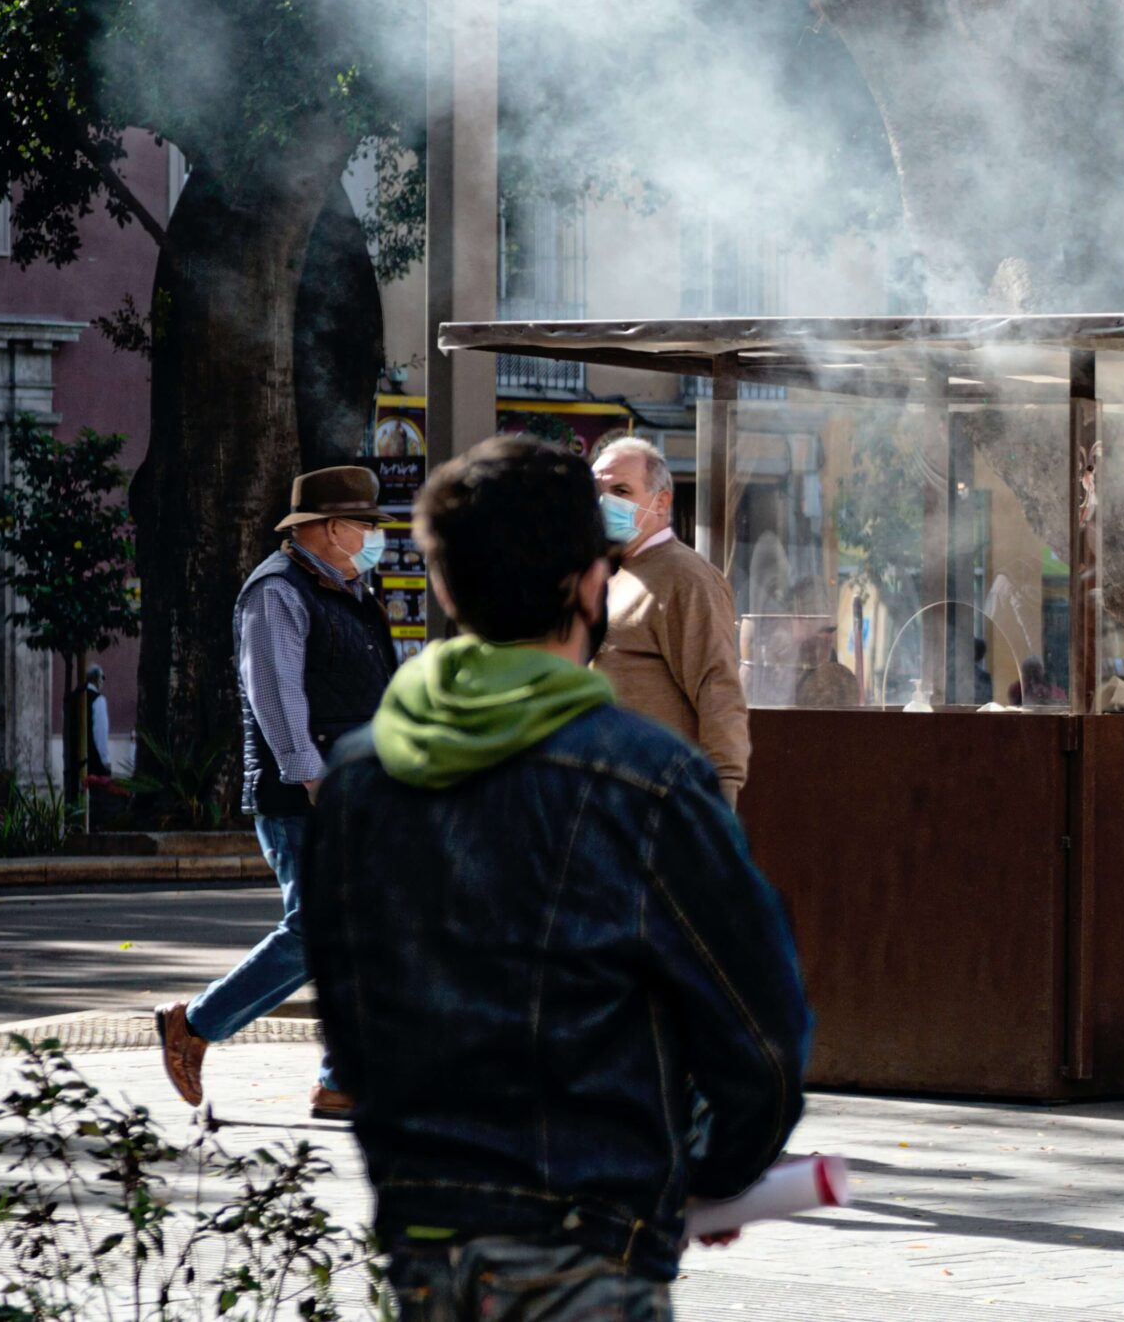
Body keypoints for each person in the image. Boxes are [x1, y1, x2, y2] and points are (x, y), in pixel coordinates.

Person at [300, 436, 811, 1317]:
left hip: (425, 1240)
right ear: (589, 583)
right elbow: (762, 1031)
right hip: (591, 1243)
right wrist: (713, 1175)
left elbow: (349, 1022)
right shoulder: (649, 780)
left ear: (450, 589)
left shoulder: (358, 778)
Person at [157, 466, 396, 1120]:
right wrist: (316, 777)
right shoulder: (276, 590)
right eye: (365, 523)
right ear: (325, 527)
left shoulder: (351, 588)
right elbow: (276, 696)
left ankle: (341, 1077)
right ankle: (196, 1024)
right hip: (306, 796)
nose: (374, 534)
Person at [590, 437, 751, 807]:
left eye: (621, 490)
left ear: (661, 502)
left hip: (661, 803)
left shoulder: (685, 577)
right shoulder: (617, 574)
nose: (605, 503)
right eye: (598, 490)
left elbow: (718, 688)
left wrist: (721, 803)